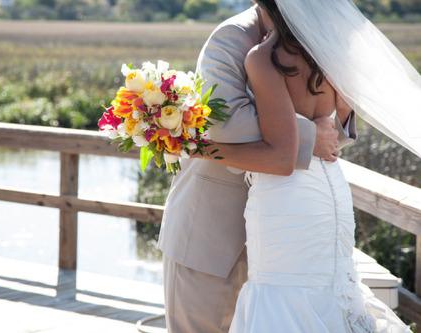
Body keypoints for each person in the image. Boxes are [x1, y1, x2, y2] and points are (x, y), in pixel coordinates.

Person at [195, 0, 420, 331]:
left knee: (283, 294)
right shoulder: (331, 52)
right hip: (330, 185)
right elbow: (342, 116)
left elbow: (282, 158)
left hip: (287, 199)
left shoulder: (263, 58)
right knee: (329, 287)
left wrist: (199, 147)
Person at [157, 3, 357, 332]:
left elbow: (333, 128)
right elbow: (226, 124)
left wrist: (328, 131)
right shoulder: (232, 38)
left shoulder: (312, 40)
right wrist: (310, 136)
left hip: (286, 235)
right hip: (214, 237)